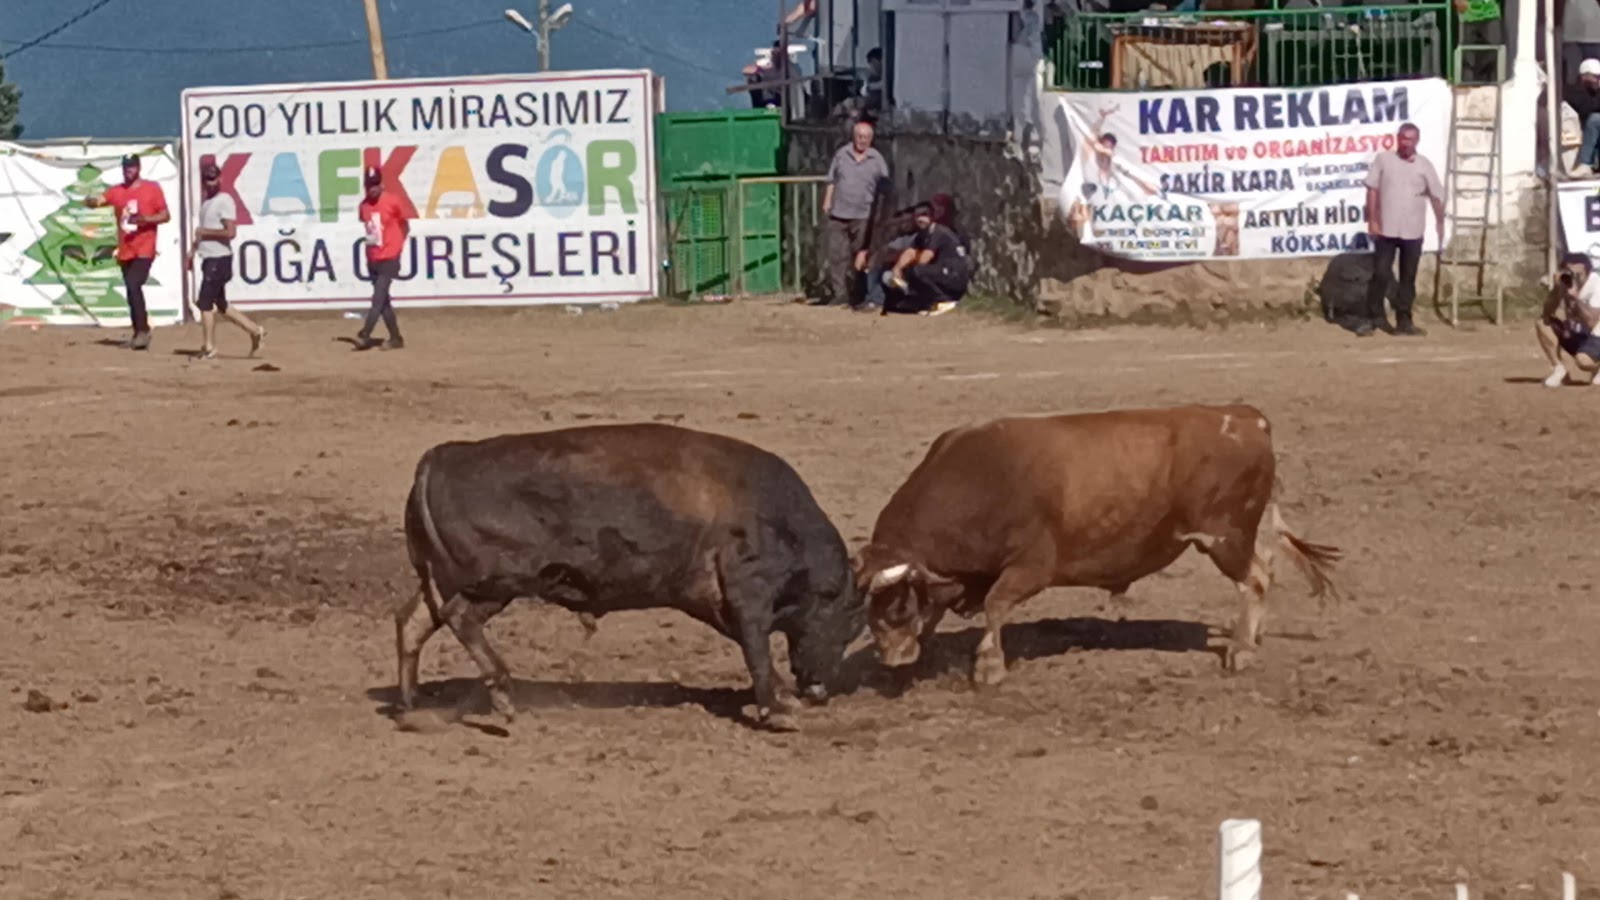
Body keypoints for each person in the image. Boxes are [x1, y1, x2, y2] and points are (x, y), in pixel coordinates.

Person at [1361, 122, 1445, 338]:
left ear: (1417, 140)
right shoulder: (1383, 160)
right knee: (1380, 274)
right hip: (1386, 229)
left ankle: (1404, 321)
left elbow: (1436, 195)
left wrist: (1440, 221)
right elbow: (1372, 190)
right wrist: (1372, 220)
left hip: (1413, 230)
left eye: (1410, 138)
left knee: (1408, 278)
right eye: (1403, 138)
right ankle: (1372, 318)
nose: (1406, 142)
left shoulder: (1424, 165)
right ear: (1397, 139)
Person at [84, 153, 169, 351]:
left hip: (144, 247)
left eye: (131, 166)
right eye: (125, 167)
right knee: (131, 291)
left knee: (133, 284)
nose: (128, 170)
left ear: (138, 167)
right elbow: (100, 200)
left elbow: (165, 215)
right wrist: (90, 202)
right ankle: (139, 331)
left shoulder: (151, 189)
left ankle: (142, 331)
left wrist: (146, 220)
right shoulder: (117, 191)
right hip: (125, 249)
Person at [188, 161, 265, 360]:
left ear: (220, 179)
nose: (210, 183)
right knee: (220, 304)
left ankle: (209, 346)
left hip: (219, 258)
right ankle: (255, 330)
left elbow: (230, 232)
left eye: (213, 179)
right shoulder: (206, 203)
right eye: (207, 179)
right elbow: (202, 233)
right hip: (209, 258)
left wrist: (204, 233)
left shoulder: (225, 200)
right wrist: (192, 251)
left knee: (204, 302)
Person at [817, 118, 890, 309]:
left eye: (866, 137)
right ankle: (840, 295)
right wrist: (827, 201)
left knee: (862, 257)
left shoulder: (877, 159)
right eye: (859, 136)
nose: (862, 140)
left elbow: (885, 188)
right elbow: (832, 180)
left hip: (863, 216)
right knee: (837, 256)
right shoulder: (842, 154)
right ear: (853, 136)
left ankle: (859, 294)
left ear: (871, 139)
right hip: (839, 213)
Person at [355, 165, 410, 351]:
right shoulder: (363, 207)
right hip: (373, 259)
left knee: (377, 298)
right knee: (384, 303)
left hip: (389, 258)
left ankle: (365, 333)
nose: (372, 189)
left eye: (375, 184)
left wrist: (397, 248)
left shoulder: (393, 202)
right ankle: (396, 338)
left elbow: (404, 225)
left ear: (381, 184)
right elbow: (368, 229)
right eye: (368, 185)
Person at [882, 201, 971, 316]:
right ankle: (920, 301)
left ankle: (943, 300)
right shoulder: (922, 235)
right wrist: (897, 269)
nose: (920, 219)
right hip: (939, 272)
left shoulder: (938, 232)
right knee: (889, 275)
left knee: (918, 271)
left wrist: (908, 275)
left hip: (954, 275)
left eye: (924, 215)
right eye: (917, 216)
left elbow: (925, 258)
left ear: (931, 216)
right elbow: (910, 252)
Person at [1536, 253, 1600, 387]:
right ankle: (1560, 370)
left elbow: (1592, 322)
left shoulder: (1596, 284)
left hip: (1597, 332)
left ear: (1586, 269)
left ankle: (1596, 366)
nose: (1572, 275)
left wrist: (1576, 298)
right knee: (1543, 323)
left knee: (1584, 362)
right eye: (1567, 270)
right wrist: (1557, 290)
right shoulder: (1567, 283)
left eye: (1576, 272)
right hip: (1582, 332)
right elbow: (1546, 312)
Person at [1567, 59, 1600, 178]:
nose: (1598, 80)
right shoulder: (1575, 92)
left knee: (1596, 120)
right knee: (1595, 119)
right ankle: (1585, 164)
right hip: (1584, 129)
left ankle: (1587, 164)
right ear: (1584, 77)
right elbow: (1586, 109)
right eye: (1595, 77)